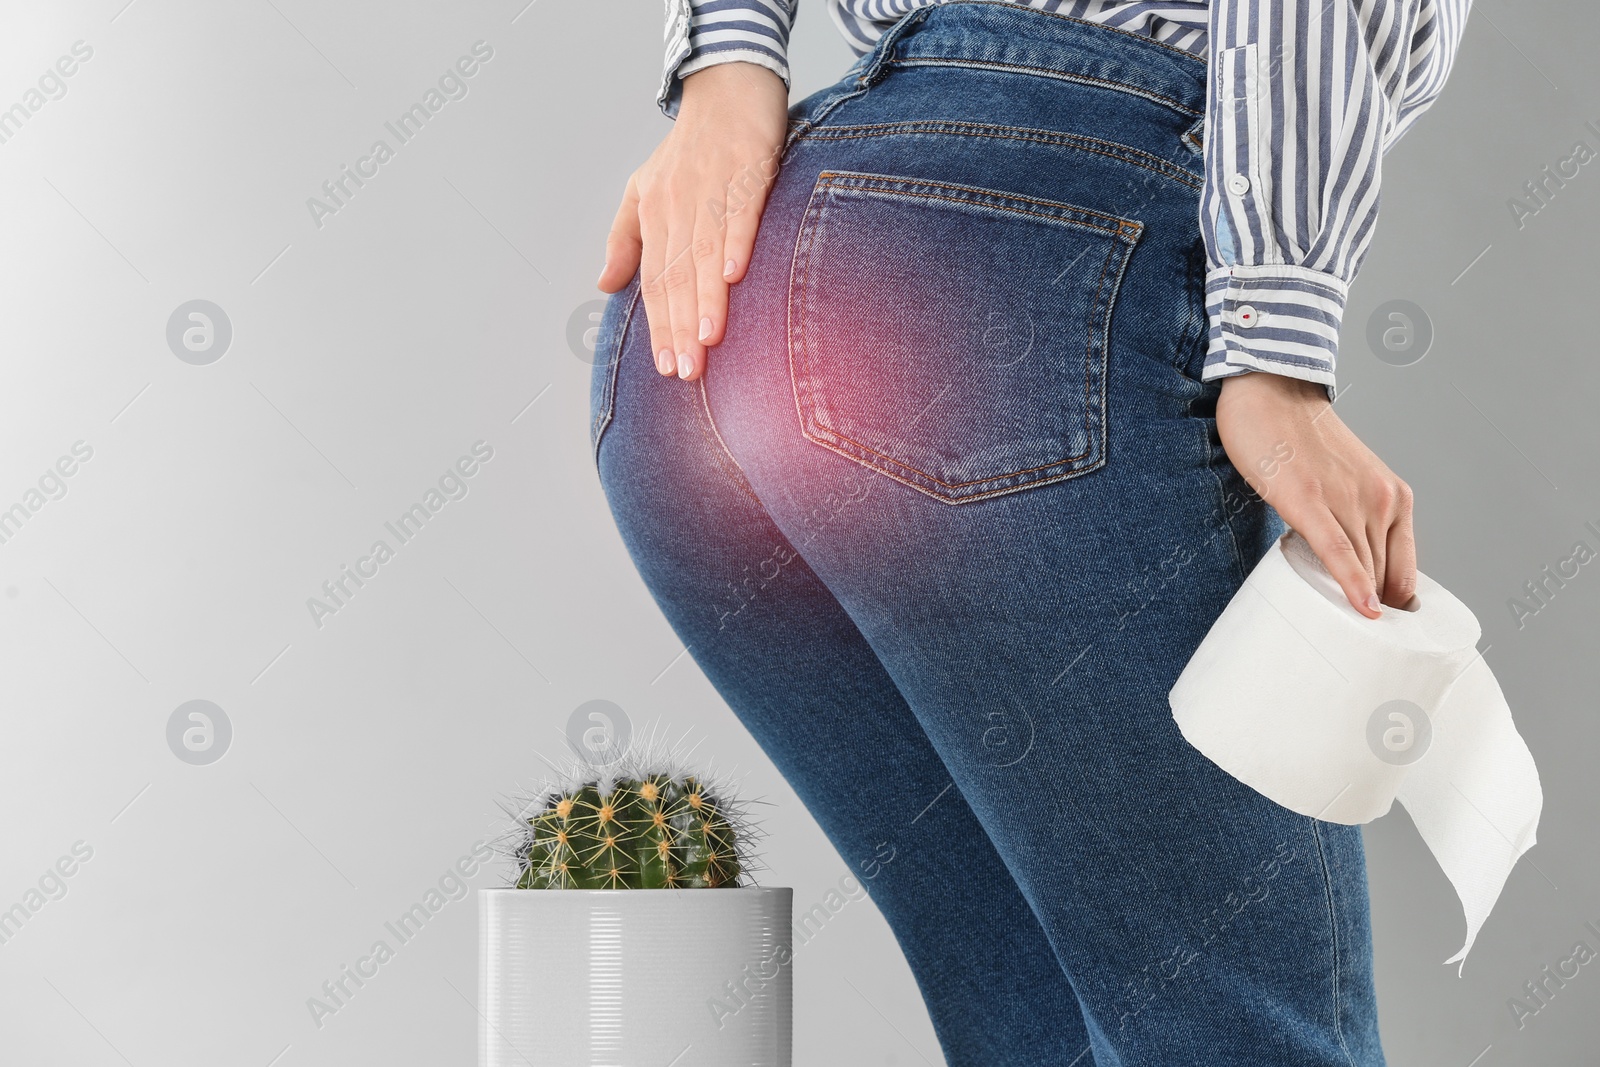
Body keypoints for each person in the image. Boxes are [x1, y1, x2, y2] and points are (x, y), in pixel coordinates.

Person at [589, 1, 1466, 1062]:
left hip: (711, 296)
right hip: (1013, 271)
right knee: (1246, 1039)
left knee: (1040, 1034)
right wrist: (1273, 346)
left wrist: (726, 70)